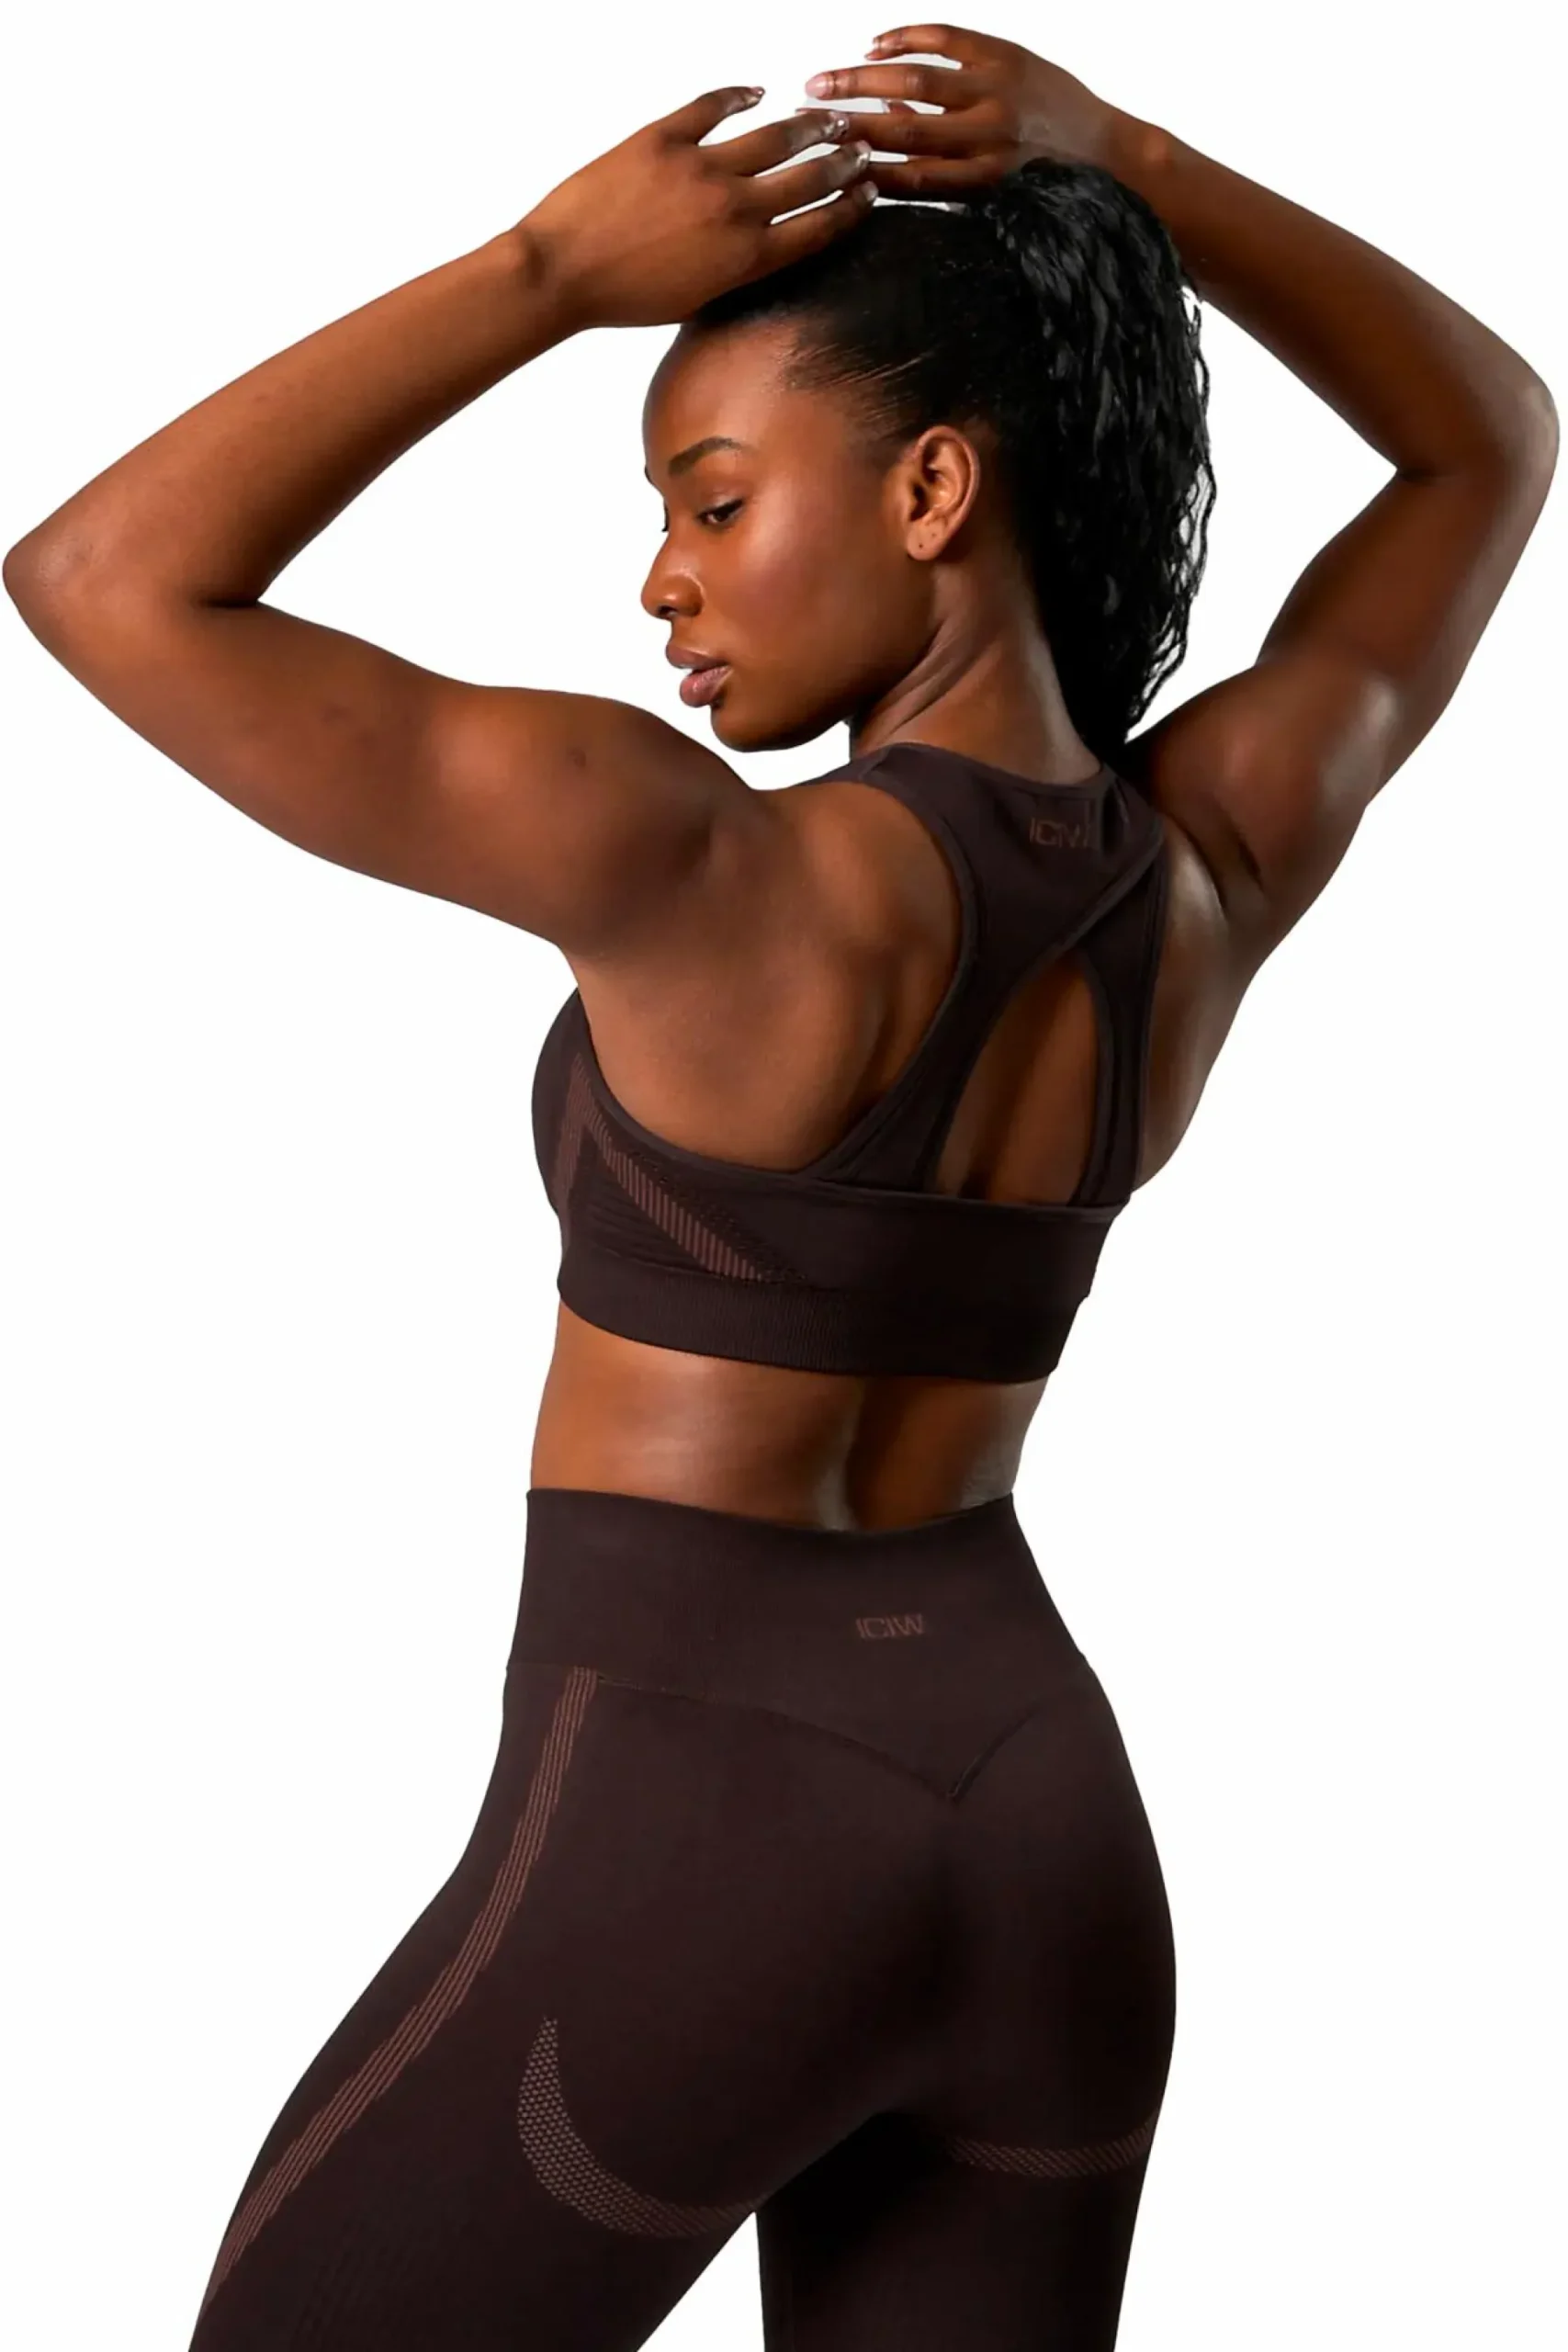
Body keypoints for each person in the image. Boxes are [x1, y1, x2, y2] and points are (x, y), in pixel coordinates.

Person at [6, 22, 1555, 2350]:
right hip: (1043, 1834)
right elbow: (1486, 440)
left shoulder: (702, 871)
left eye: (713, 501)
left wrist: (547, 270)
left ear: (932, 487)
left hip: (701, 1835)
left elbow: (104, 577)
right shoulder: (1217, 862)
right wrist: (1132, 160)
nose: (663, 582)